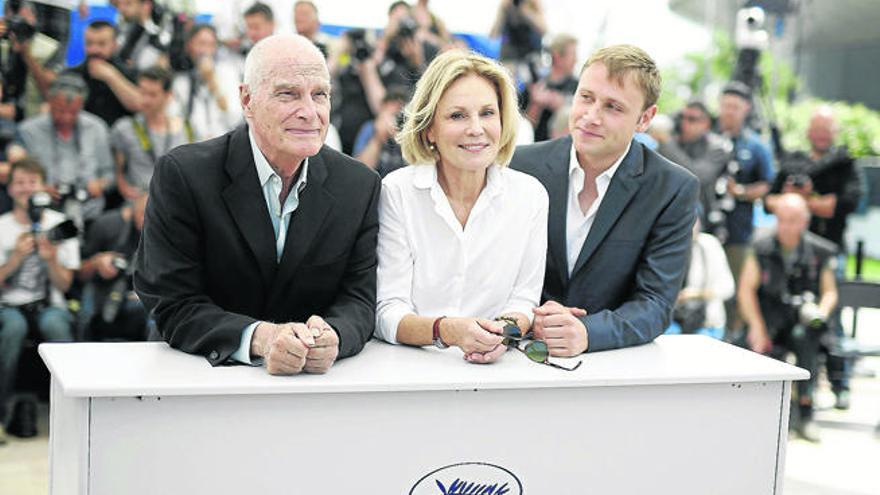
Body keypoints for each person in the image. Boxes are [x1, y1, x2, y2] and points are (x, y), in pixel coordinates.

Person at [133, 34, 381, 375]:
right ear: (247, 100)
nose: (309, 112)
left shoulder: (359, 185)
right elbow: (171, 300)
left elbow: (360, 300)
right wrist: (260, 338)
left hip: (312, 390)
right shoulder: (184, 175)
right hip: (195, 379)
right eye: (288, 94)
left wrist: (335, 335)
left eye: (319, 94)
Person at [510, 44, 699, 355]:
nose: (591, 116)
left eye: (613, 107)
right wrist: (526, 319)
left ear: (645, 118)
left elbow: (655, 303)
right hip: (515, 354)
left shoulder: (672, 189)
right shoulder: (519, 166)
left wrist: (587, 332)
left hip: (609, 366)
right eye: (586, 97)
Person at [375, 49, 548, 364]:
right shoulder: (397, 191)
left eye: (487, 113)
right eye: (457, 115)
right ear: (430, 128)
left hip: (497, 374)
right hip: (408, 373)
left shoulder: (531, 196)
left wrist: (502, 334)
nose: (476, 129)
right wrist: (448, 331)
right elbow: (388, 311)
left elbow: (523, 300)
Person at [765, 105, 864, 410]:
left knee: (829, 319)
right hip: (790, 251)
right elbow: (771, 199)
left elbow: (845, 203)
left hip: (828, 251)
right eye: (817, 128)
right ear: (809, 132)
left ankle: (839, 384)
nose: (821, 134)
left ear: (833, 133)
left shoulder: (845, 164)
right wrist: (795, 200)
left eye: (827, 129)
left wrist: (805, 199)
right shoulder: (794, 160)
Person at [738, 193, 838, 442]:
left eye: (793, 220)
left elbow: (830, 293)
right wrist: (757, 326)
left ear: (804, 221)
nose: (786, 226)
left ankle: (805, 413)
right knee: (743, 347)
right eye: (781, 219)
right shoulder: (760, 246)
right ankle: (755, 414)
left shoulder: (819, 251)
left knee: (805, 341)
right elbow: (746, 290)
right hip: (768, 317)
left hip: (801, 321)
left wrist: (819, 314)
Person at [0, 158, 79, 440]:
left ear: (43, 187)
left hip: (51, 303)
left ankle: (73, 412)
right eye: (19, 183)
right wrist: (15, 259)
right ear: (9, 189)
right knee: (12, 328)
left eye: (32, 182)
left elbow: (66, 283)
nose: (26, 189)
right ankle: (1, 413)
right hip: (8, 305)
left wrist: (51, 259)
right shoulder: (2, 226)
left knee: (57, 326)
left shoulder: (61, 225)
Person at [15, 71, 114, 225]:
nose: (66, 117)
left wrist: (100, 184)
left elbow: (109, 174)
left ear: (82, 105)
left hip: (89, 212)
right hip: (44, 212)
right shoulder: (29, 131)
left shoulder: (97, 128)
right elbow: (18, 175)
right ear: (49, 101)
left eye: (73, 112)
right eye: (59, 111)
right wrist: (39, 187)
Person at [716, 81, 775, 331]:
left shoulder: (756, 146)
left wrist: (740, 192)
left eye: (735, 107)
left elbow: (768, 184)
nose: (729, 111)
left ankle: (733, 336)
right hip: (705, 227)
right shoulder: (707, 137)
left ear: (746, 109)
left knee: (734, 288)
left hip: (737, 231)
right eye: (726, 105)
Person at [111, 65, 189, 201]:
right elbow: (117, 173)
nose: (145, 100)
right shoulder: (124, 128)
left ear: (168, 95)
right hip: (140, 205)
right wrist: (124, 188)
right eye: (142, 92)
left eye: (152, 95)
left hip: (176, 203)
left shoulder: (186, 129)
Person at [78, 192, 149, 342]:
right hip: (103, 288)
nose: (146, 221)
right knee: (86, 315)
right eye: (143, 214)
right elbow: (79, 272)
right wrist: (97, 262)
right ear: (133, 210)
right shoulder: (106, 225)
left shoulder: (168, 231)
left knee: (158, 316)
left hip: (144, 295)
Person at [666, 208, 734, 339]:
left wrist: (696, 294)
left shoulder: (709, 245)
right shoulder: (668, 248)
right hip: (673, 322)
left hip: (706, 323)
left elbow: (728, 288)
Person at [169, 24, 242, 142]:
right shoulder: (181, 80)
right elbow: (173, 117)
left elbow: (233, 118)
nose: (205, 51)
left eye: (211, 45)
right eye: (201, 44)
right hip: (191, 146)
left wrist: (212, 81)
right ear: (189, 45)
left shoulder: (228, 73)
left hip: (223, 143)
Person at [68, 20, 142, 127]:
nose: (94, 50)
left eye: (101, 44)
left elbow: (139, 105)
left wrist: (111, 77)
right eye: (89, 43)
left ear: (114, 45)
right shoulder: (72, 74)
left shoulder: (130, 73)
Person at [524, 33, 579, 142]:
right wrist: (536, 104)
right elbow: (525, 127)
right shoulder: (536, 85)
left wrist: (562, 105)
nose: (576, 60)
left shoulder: (578, 86)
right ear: (557, 56)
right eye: (573, 55)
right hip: (536, 144)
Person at [353, 89, 407, 177]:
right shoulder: (369, 128)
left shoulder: (409, 133)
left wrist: (399, 137)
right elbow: (359, 171)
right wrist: (377, 138)